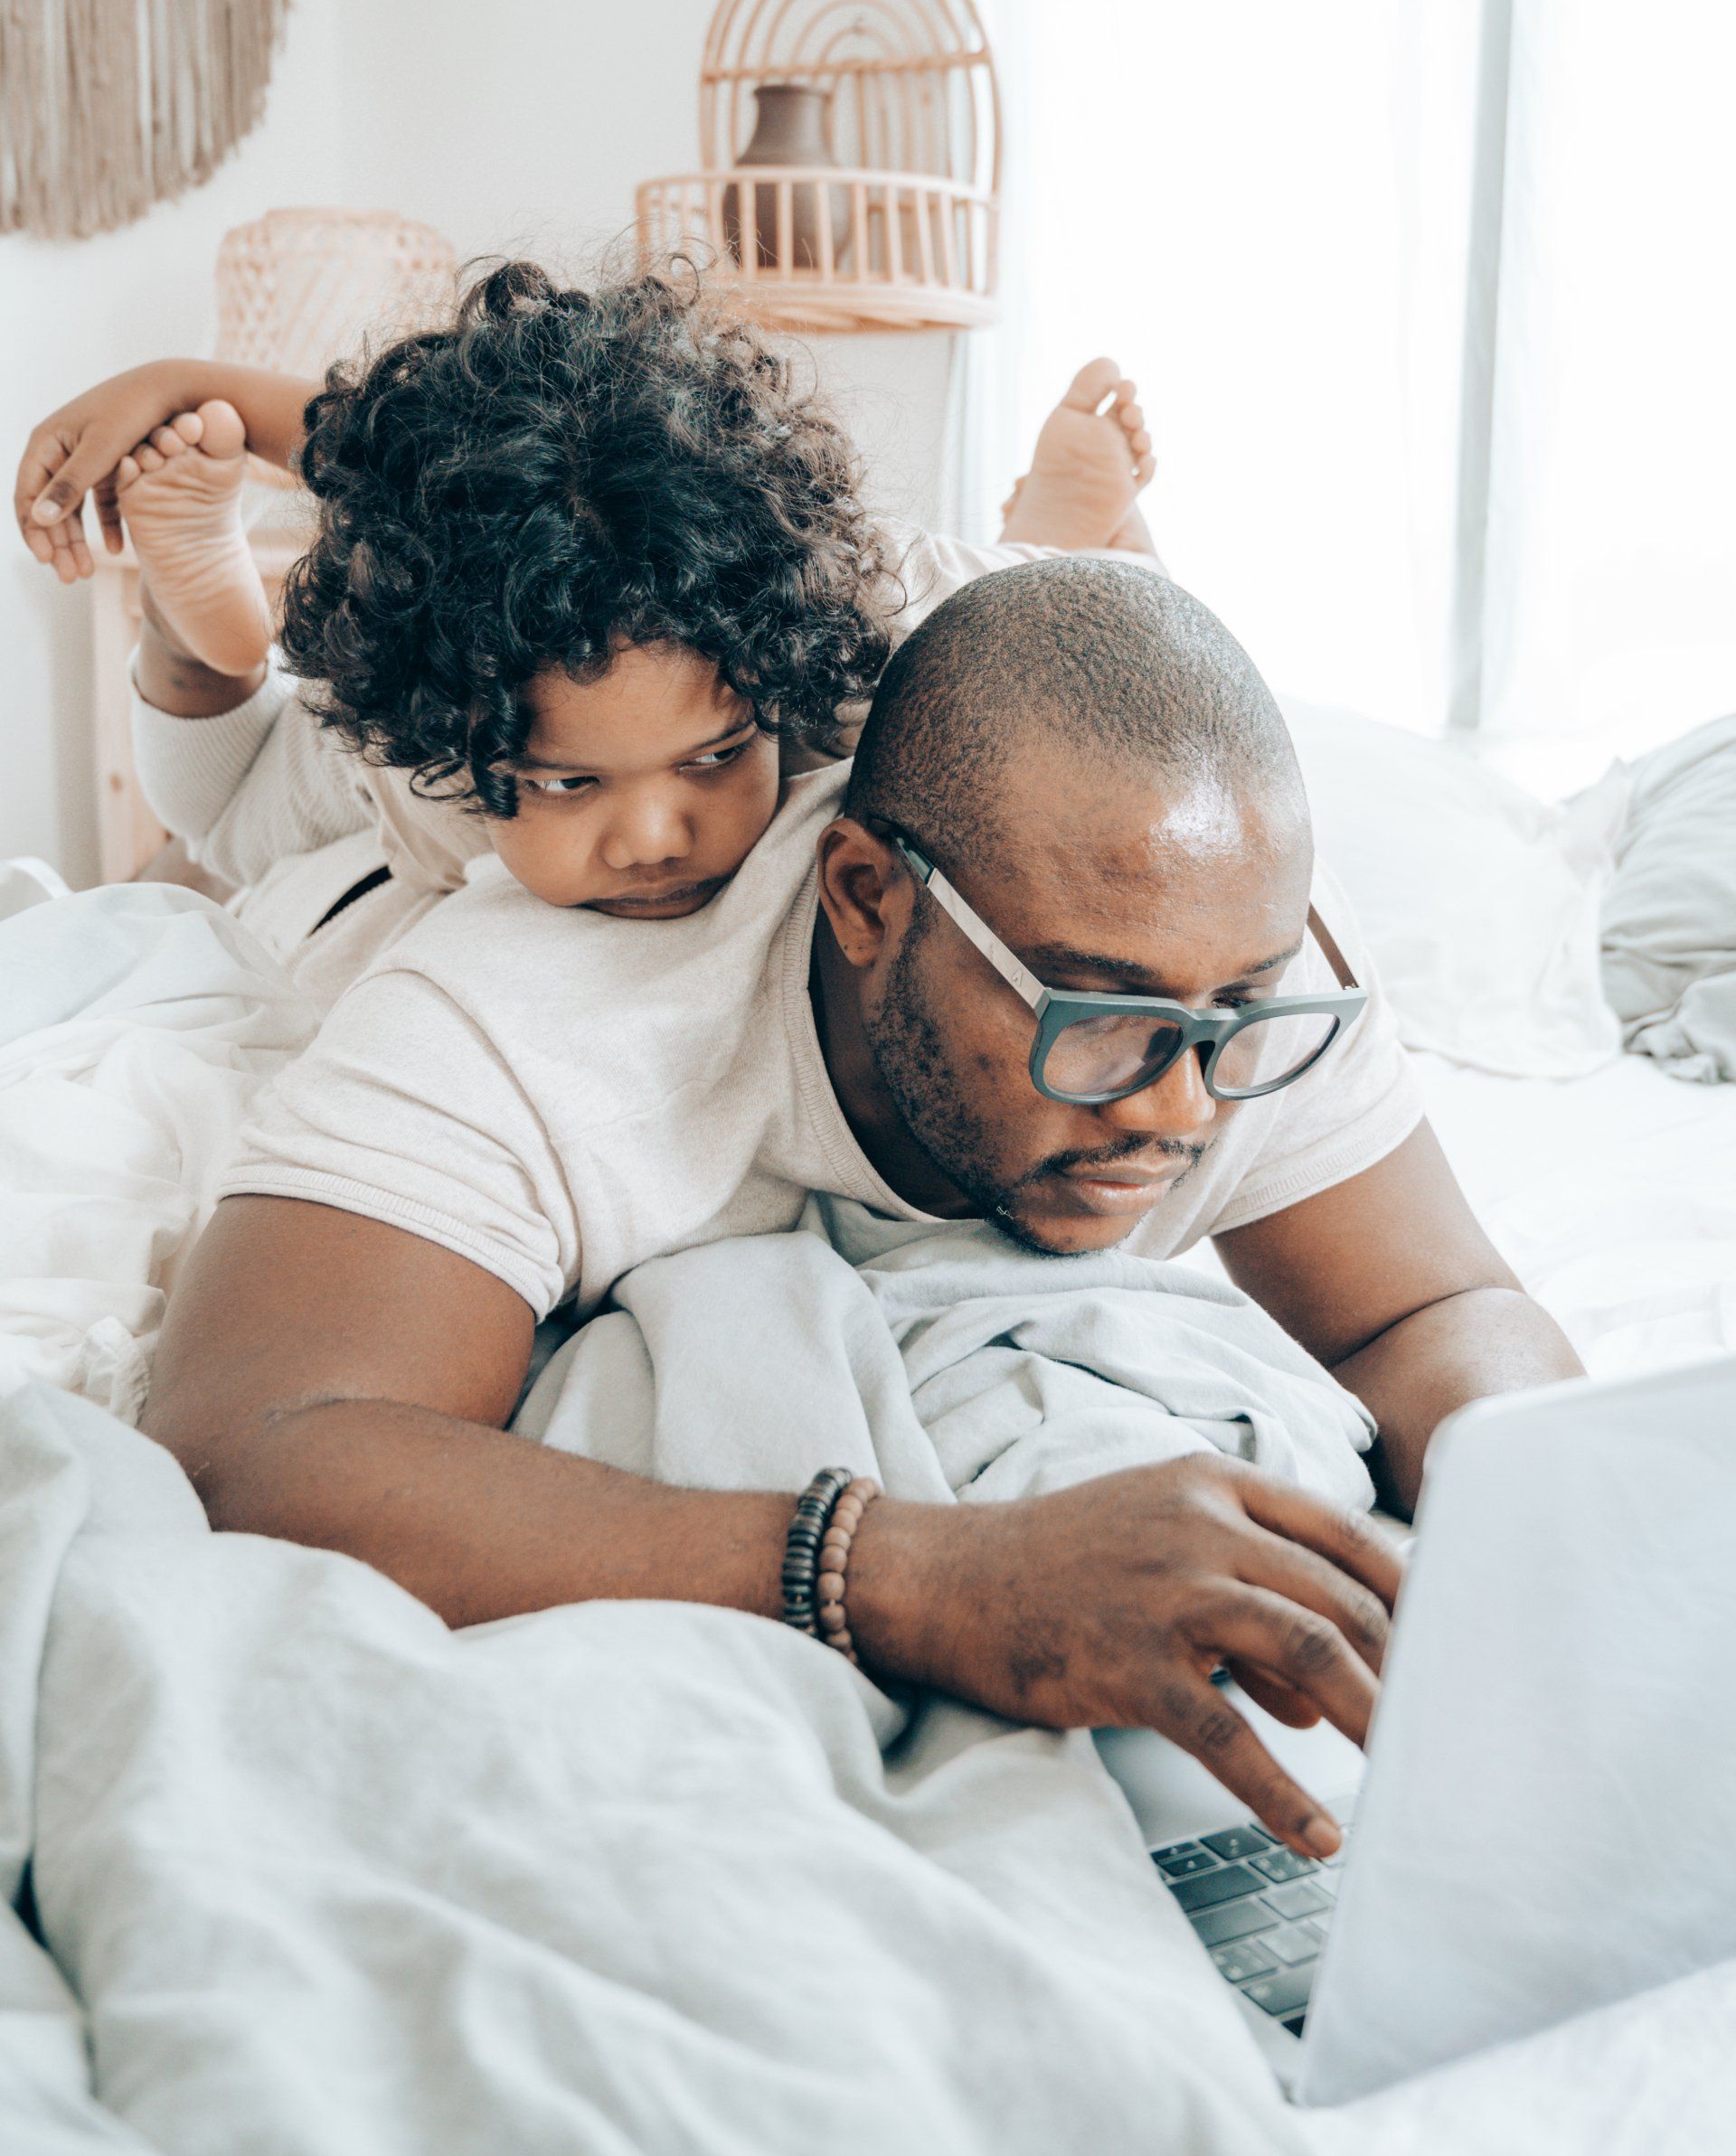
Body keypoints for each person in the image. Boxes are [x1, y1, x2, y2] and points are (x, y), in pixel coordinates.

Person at [139, 558, 1581, 1859]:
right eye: (1095, 1016)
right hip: (345, 902)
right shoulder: (529, 1018)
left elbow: (1437, 1306)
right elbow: (252, 1450)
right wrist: (927, 1579)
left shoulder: (1227, 971)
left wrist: (1519, 1530)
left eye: (1235, 1017)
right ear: (866, 898)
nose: (1176, 1110)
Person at [13, 266, 1157, 986]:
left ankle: (1051, 527)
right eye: (572, 785)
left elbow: (1156, 664)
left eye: (713, 758)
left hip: (876, 614)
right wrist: (176, 381)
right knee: (226, 818)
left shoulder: (854, 629)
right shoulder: (442, 752)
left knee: (1028, 604)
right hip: (432, 747)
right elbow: (393, 448)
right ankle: (189, 622)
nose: (654, 836)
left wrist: (1112, 539)